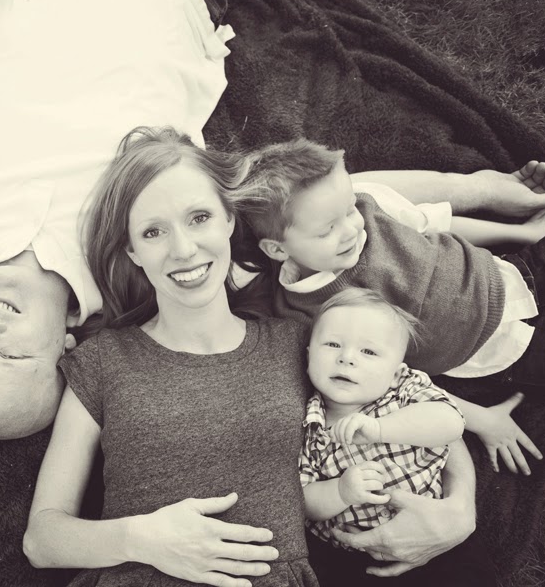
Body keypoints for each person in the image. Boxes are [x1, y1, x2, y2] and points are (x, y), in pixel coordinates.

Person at [0, 0, 545, 441]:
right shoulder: (139, 264)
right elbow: (320, 200)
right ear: (65, 348)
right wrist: (482, 190)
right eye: (10, 354)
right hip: (160, 11)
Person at [24, 127, 478, 585]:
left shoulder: (296, 341)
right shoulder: (106, 360)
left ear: (228, 220)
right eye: (153, 231)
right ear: (133, 251)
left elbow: (413, 404)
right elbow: (42, 539)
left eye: (198, 217)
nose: (183, 250)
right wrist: (139, 539)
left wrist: (461, 509)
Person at [246, 138, 545, 475]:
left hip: (517, 271)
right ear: (278, 250)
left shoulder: (371, 207)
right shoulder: (307, 315)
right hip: (508, 353)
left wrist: (525, 233)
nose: (351, 229)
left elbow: (436, 223)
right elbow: (386, 383)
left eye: (349, 209)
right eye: (328, 230)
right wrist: (480, 419)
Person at [299, 288, 495, 587]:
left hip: (437, 532)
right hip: (354, 556)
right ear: (309, 355)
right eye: (332, 344)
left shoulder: (403, 390)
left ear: (395, 372)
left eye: (369, 351)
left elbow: (450, 422)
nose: (347, 358)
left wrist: (381, 429)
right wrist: (340, 491)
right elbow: (304, 501)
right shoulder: (310, 424)